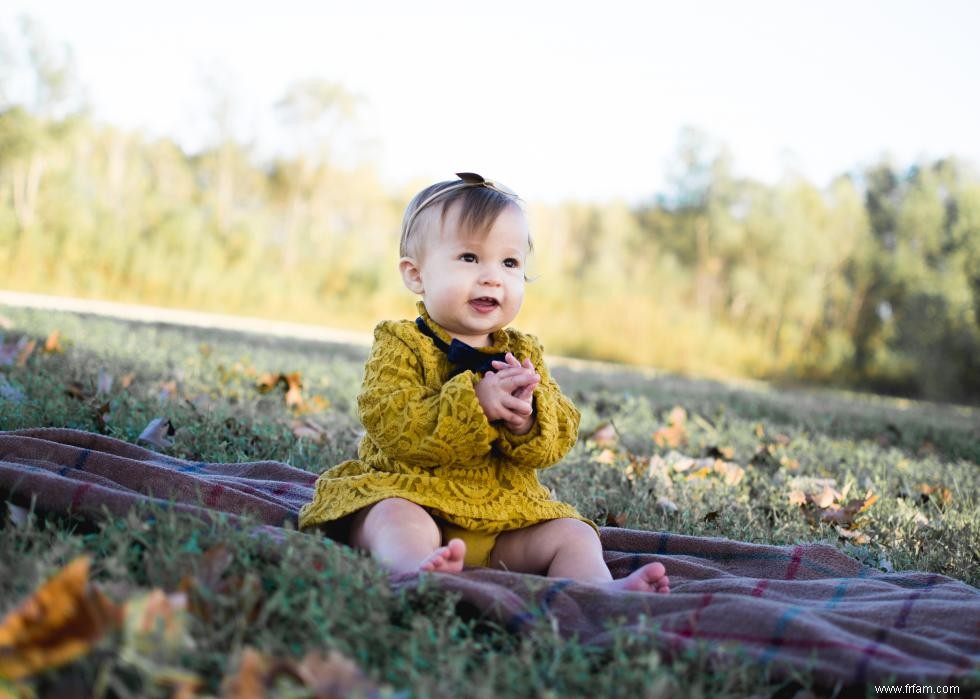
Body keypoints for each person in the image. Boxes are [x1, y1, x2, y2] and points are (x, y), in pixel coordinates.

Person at [299, 173, 669, 593]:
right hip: (415, 494)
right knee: (390, 517)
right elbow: (391, 419)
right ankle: (415, 570)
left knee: (574, 534)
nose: (492, 277)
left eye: (509, 263)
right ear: (416, 275)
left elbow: (561, 433)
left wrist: (528, 419)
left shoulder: (523, 352)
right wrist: (474, 402)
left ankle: (597, 590)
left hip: (503, 519)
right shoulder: (400, 343)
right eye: (470, 258)